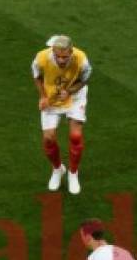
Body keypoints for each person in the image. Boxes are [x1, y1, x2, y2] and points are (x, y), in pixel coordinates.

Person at [32, 34, 92, 194]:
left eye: (65, 57)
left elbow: (85, 79)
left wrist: (70, 91)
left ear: (71, 51)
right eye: (58, 56)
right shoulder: (41, 58)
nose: (61, 60)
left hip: (75, 97)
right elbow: (36, 76)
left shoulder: (81, 59)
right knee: (48, 138)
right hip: (52, 97)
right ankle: (58, 169)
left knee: (75, 136)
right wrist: (43, 96)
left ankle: (73, 173)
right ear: (53, 51)